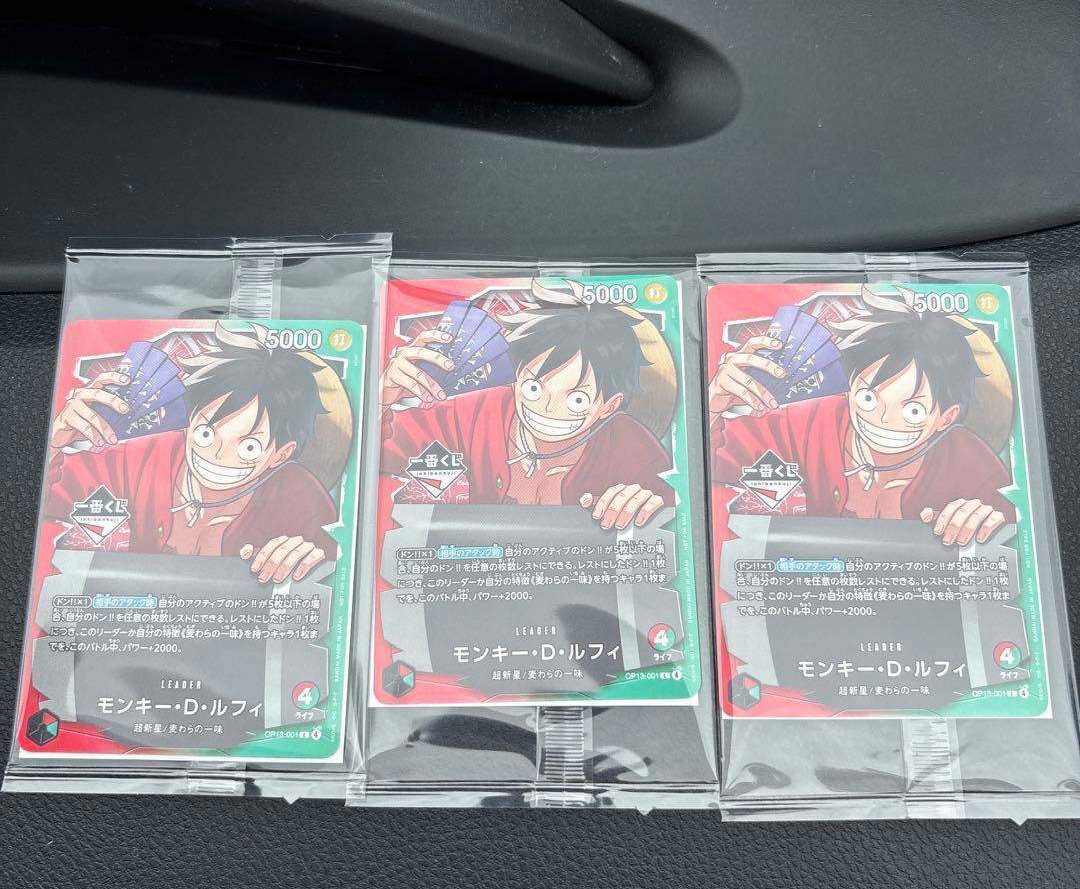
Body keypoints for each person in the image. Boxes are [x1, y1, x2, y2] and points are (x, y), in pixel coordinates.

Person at [708, 287, 1015, 546]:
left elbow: (1012, 527)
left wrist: (986, 521)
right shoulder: (806, 424)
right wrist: (712, 405)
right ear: (850, 386)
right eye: (868, 398)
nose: (882, 418)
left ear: (946, 418)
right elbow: (710, 465)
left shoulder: (971, 465)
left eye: (913, 410)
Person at [47, 322, 339, 582]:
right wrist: (54, 441)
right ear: (188, 422)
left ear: (281, 454)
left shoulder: (302, 501)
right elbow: (49, 502)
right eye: (206, 434)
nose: (217, 455)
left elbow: (334, 571)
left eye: (249, 447)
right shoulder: (139, 458)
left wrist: (311, 560)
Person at [380, 282, 675, 530]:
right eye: (534, 388)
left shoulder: (632, 448)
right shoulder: (473, 414)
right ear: (516, 377)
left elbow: (672, 510)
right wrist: (383, 397)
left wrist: (646, 505)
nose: (547, 407)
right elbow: (384, 451)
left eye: (577, 399)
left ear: (609, 406)